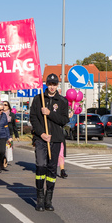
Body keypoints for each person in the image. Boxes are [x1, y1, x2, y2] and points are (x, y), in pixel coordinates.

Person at [30, 73, 69, 212]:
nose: (52, 87)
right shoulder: (38, 99)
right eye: (50, 84)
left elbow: (64, 120)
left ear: (57, 85)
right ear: (46, 84)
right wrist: (41, 133)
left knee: (52, 169)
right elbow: (33, 118)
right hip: (41, 139)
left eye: (54, 84)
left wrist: (49, 113)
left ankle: (48, 200)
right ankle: (39, 200)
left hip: (56, 139)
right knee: (41, 166)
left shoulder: (63, 101)